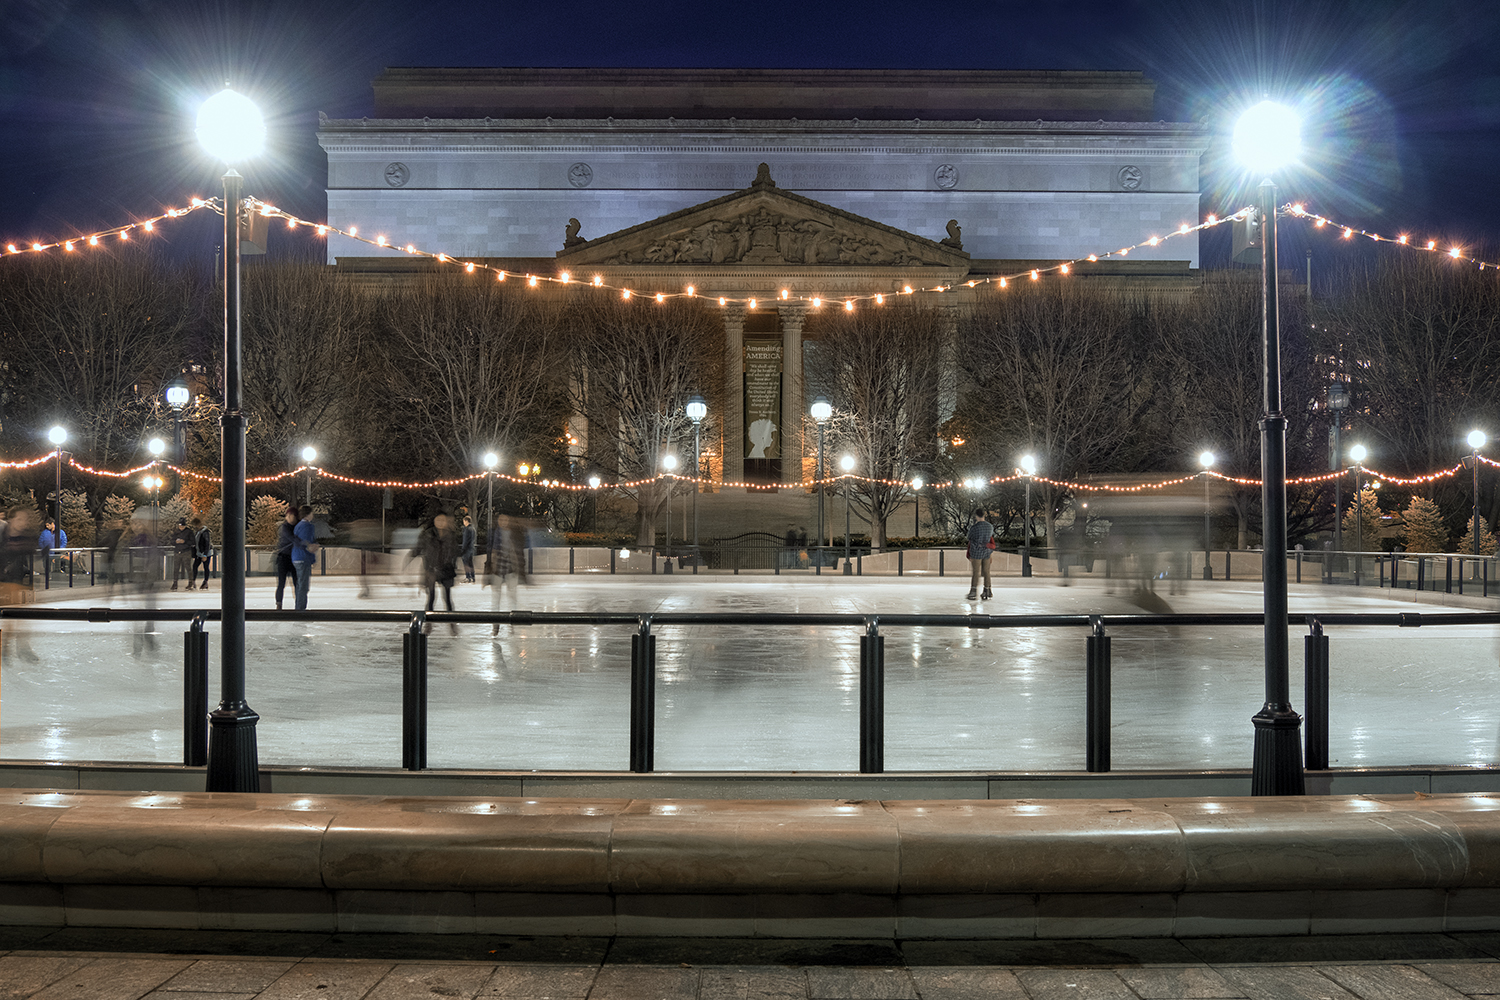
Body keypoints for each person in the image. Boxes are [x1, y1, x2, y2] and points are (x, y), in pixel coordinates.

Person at [414, 512, 458, 633]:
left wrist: (454, 566)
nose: (440, 523)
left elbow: (455, 552)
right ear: (434, 521)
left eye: (442, 520)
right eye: (438, 520)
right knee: (431, 598)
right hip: (432, 570)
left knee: (447, 598)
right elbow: (419, 548)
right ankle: (428, 623)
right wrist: (409, 558)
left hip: (446, 570)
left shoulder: (451, 536)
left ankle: (452, 623)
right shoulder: (428, 535)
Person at [290, 504, 318, 611]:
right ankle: (300, 609)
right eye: (312, 513)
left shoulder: (298, 526)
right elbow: (307, 545)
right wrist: (312, 558)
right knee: (303, 586)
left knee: (300, 584)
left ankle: (299, 607)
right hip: (303, 558)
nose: (313, 515)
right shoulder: (308, 526)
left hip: (296, 557)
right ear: (308, 514)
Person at [965, 507, 994, 601]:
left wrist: (969, 554)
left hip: (976, 552)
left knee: (976, 572)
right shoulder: (990, 526)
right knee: (986, 571)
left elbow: (970, 539)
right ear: (984, 515)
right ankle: (987, 590)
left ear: (976, 516)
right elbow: (990, 539)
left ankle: (973, 591)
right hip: (987, 552)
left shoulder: (974, 527)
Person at [274, 507, 297, 610]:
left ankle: (299, 604)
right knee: (281, 583)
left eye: (291, 515)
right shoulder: (284, 527)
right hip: (283, 558)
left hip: (294, 558)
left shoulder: (297, 526)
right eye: (288, 516)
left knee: (297, 583)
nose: (289, 518)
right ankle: (279, 604)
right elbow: (292, 538)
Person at [170, 517, 194, 590]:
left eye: (182, 526)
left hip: (186, 551)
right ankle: (175, 583)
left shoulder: (189, 532)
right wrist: (175, 542)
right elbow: (171, 541)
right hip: (177, 551)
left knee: (188, 567)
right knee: (176, 568)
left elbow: (193, 542)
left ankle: (190, 583)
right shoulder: (176, 531)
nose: (181, 528)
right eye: (180, 526)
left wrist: (184, 542)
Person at [191, 518, 213, 590]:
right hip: (199, 553)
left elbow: (207, 544)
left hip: (205, 553)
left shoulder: (205, 532)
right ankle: (193, 581)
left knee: (206, 567)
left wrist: (205, 555)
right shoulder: (197, 532)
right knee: (195, 566)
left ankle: (205, 582)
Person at [460, 515, 477, 582]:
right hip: (471, 548)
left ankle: (468, 577)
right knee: (470, 563)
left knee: (466, 563)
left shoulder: (467, 529)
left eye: (464, 521)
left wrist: (463, 550)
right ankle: (473, 577)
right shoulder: (473, 529)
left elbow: (465, 541)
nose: (463, 523)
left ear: (466, 521)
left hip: (466, 549)